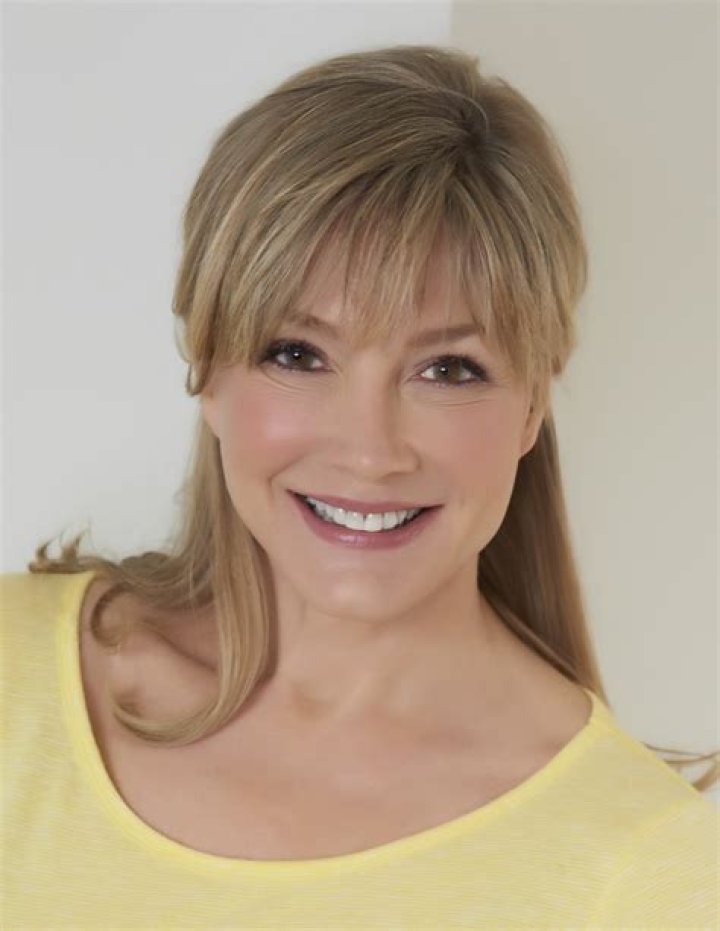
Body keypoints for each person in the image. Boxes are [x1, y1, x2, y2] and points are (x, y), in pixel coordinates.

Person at [2, 44, 717, 929]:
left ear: (534, 402)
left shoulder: (645, 869)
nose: (370, 452)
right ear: (208, 367)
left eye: (448, 369)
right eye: (299, 354)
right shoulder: (14, 675)